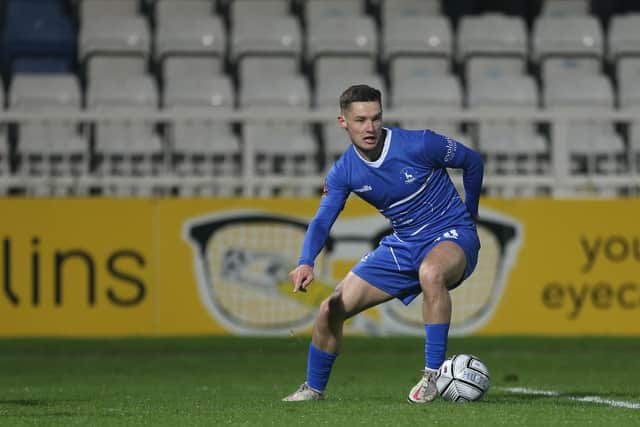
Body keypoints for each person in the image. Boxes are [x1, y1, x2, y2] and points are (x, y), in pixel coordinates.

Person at [282, 84, 484, 403]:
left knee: (431, 272)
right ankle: (313, 389)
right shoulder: (344, 171)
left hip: (451, 233)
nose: (370, 127)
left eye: (376, 118)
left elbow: (472, 161)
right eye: (360, 120)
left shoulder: (420, 144)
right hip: (404, 244)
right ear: (343, 122)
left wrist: (470, 216)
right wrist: (306, 260)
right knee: (329, 308)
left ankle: (432, 375)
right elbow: (323, 219)